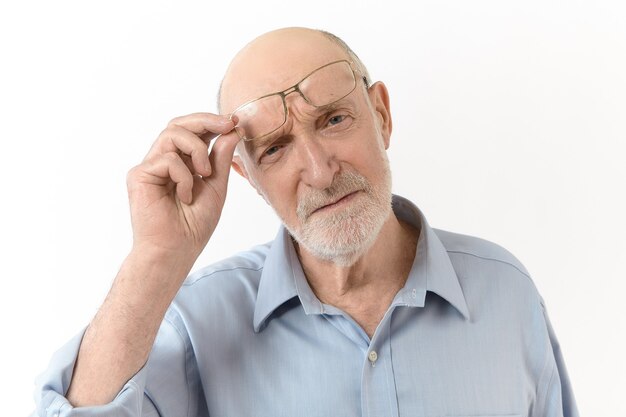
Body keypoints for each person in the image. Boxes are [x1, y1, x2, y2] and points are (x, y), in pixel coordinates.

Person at [32, 27, 578, 417]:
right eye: (274, 149)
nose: (319, 171)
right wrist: (154, 258)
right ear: (245, 175)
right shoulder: (199, 322)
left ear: (381, 115)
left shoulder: (506, 291)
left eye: (335, 119)